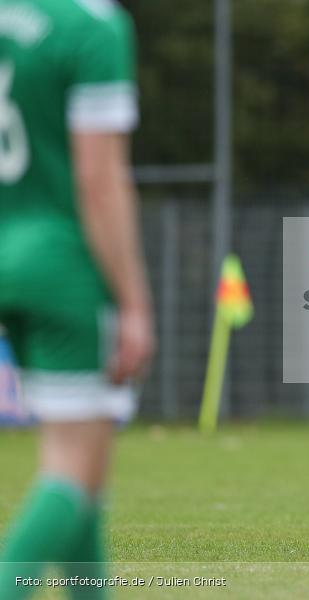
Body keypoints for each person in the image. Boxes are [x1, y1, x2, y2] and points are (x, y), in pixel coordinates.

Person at [0, 0, 154, 596]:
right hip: (61, 266)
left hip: (8, 249)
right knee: (72, 468)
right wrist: (134, 301)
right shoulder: (91, 26)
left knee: (85, 468)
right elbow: (99, 178)